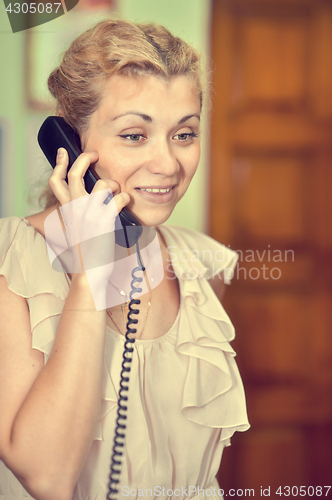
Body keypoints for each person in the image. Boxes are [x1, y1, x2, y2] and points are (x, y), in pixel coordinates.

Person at [0, 19, 249, 500]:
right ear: (67, 143)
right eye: (135, 135)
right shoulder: (11, 263)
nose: (169, 164)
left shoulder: (200, 262)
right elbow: (47, 478)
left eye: (184, 133)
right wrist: (93, 272)